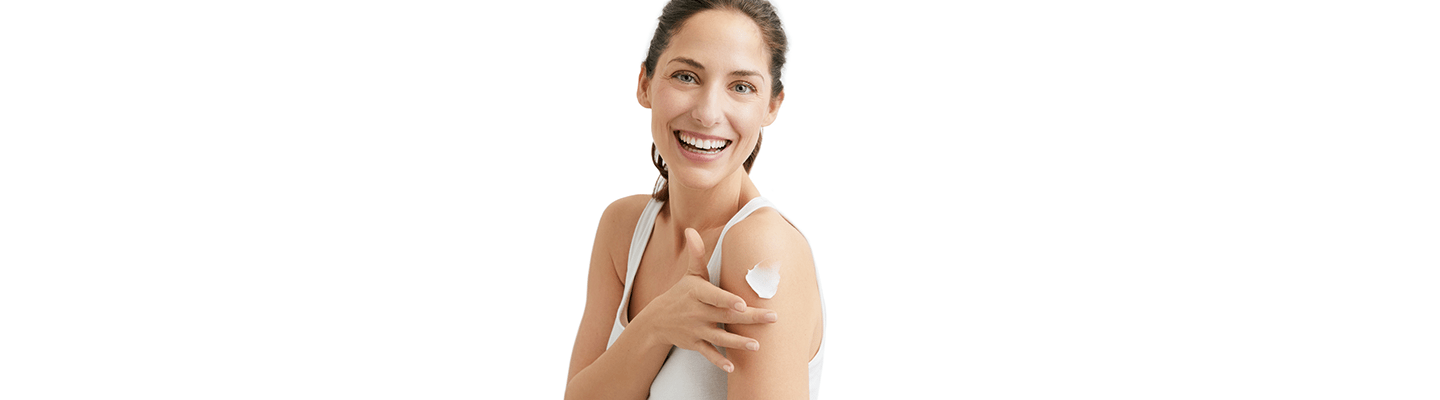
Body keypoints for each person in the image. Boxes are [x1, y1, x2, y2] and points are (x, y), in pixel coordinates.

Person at [564, 1, 824, 399]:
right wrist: (655, 326)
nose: (707, 113)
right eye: (686, 76)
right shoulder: (624, 228)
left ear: (772, 106)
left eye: (741, 87)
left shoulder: (762, 250)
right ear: (645, 84)